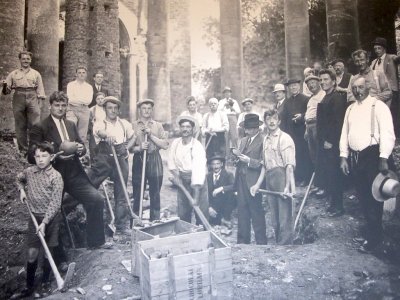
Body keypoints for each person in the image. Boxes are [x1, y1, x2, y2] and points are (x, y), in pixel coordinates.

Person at [29, 91, 111, 250]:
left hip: (74, 174)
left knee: (96, 199)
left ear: (67, 107)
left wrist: (80, 149)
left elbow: (81, 146)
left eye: (63, 105)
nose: (60, 108)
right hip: (52, 176)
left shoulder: (70, 125)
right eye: (57, 105)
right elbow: (31, 157)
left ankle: (95, 243)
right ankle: (58, 257)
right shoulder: (40, 127)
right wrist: (55, 155)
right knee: (52, 213)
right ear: (50, 106)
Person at [340, 77, 395, 253]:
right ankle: (371, 235)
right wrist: (343, 156)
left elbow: (388, 133)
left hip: (373, 155)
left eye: (361, 87)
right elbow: (344, 133)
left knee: (374, 199)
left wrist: (384, 157)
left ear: (369, 87)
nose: (357, 91)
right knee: (363, 197)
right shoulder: (350, 108)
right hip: (356, 157)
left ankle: (376, 240)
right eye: (354, 88)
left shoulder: (378, 106)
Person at [15, 142, 63, 298]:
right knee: (32, 253)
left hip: (51, 218)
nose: (41, 159)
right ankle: (29, 286)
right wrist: (22, 190)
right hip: (34, 216)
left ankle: (45, 283)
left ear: (51, 157)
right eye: (37, 156)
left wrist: (44, 223)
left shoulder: (56, 177)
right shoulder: (29, 172)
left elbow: (55, 203)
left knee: (48, 252)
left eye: (44, 156)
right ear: (34, 157)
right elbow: (19, 178)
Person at [87, 96, 137, 232]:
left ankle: (120, 225)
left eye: (115, 108)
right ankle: (68, 210)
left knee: (121, 193)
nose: (113, 111)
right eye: (110, 108)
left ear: (118, 110)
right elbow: (99, 131)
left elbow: (133, 136)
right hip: (104, 159)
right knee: (87, 185)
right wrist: (106, 135)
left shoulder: (124, 124)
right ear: (105, 109)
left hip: (120, 159)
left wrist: (127, 148)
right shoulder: (99, 123)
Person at [251, 109, 296, 245]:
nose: (271, 121)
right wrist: (257, 185)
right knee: (274, 217)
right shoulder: (266, 140)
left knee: (284, 215)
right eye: (269, 119)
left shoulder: (285, 138)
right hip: (270, 179)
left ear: (279, 121)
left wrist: (287, 187)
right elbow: (264, 166)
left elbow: (289, 166)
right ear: (265, 122)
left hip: (282, 178)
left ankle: (285, 245)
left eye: (274, 119)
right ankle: (278, 245)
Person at [232, 113, 267, 245]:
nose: (248, 130)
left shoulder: (263, 141)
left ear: (257, 128)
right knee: (242, 210)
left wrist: (249, 161)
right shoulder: (243, 140)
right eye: (247, 128)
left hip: (254, 181)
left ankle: (261, 242)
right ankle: (242, 242)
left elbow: (264, 163)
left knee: (256, 211)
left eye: (251, 128)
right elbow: (239, 157)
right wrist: (236, 158)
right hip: (241, 179)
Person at [131, 99, 169, 221]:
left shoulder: (158, 125)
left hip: (154, 159)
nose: (146, 111)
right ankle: (136, 221)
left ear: (152, 110)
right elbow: (129, 148)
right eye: (144, 108)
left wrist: (151, 135)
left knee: (155, 192)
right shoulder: (133, 125)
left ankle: (155, 220)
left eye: (149, 108)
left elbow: (165, 144)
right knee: (138, 191)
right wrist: (139, 148)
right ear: (139, 110)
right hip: (139, 159)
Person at [2, 51, 45, 155]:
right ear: (20, 60)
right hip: (18, 96)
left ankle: (34, 149)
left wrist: (40, 103)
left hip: (32, 95)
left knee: (35, 124)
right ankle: (23, 150)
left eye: (28, 59)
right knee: (20, 124)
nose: (25, 60)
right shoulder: (13, 74)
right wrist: (4, 85)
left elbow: (40, 89)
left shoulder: (36, 73)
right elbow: (6, 91)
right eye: (23, 59)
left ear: (30, 60)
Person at [168, 115, 209, 225]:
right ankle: (186, 236)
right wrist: (176, 178)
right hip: (182, 180)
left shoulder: (197, 146)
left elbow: (198, 171)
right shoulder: (176, 143)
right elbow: (171, 163)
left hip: (198, 182)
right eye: (183, 126)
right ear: (180, 128)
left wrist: (195, 196)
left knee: (200, 211)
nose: (185, 129)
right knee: (183, 212)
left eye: (188, 127)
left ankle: (203, 235)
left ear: (192, 129)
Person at [317, 69, 347, 217]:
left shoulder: (337, 98)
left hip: (333, 144)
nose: (323, 82)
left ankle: (338, 207)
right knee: (329, 173)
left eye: (326, 79)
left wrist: (330, 140)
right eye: (321, 80)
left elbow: (338, 123)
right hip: (325, 143)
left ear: (334, 81)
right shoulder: (325, 97)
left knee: (335, 174)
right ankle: (333, 204)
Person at [281, 79, 312, 185]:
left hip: (302, 132)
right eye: (291, 86)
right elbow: (284, 118)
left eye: (295, 86)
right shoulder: (287, 102)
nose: (293, 88)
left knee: (304, 155)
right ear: (288, 89)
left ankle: (306, 178)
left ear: (299, 86)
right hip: (290, 133)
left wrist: (302, 116)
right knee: (293, 155)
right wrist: (284, 133)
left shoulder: (306, 99)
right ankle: (297, 177)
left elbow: (310, 114)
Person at [371, 37, 400, 137]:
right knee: (382, 114)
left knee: (392, 113)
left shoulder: (391, 58)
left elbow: (397, 59)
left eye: (379, 48)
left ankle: (395, 136)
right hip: (379, 92)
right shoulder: (373, 62)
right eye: (375, 49)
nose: (377, 51)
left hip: (391, 91)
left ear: (384, 48)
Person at [66, 66, 93, 145]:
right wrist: (81, 100)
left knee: (82, 134)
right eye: (79, 72)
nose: (81, 74)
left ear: (86, 74)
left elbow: (88, 101)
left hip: (84, 110)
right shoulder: (70, 85)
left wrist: (77, 99)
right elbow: (70, 99)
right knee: (70, 128)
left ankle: (81, 153)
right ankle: (70, 149)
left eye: (83, 73)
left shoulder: (89, 87)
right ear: (76, 74)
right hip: (72, 109)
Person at [206, 155, 236, 227]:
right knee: (213, 223)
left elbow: (234, 186)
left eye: (218, 164)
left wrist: (222, 188)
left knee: (232, 194)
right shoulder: (208, 176)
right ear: (210, 165)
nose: (216, 166)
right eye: (213, 164)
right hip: (213, 206)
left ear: (222, 164)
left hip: (225, 205)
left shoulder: (228, 174)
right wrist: (209, 207)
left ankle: (226, 218)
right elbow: (205, 194)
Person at [88, 92, 107, 161]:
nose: (100, 100)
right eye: (98, 99)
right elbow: (89, 123)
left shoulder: (107, 108)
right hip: (95, 132)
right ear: (95, 100)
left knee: (106, 152)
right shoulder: (91, 110)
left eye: (102, 98)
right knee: (94, 151)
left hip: (106, 131)